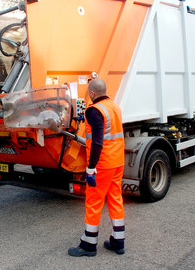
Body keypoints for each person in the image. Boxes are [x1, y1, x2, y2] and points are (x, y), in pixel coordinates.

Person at [68, 78, 125, 257]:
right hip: (117, 161)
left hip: (103, 164)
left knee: (94, 202)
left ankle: (89, 244)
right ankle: (118, 241)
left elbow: (98, 142)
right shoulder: (114, 107)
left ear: (92, 93)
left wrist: (91, 167)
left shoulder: (94, 111)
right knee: (115, 199)